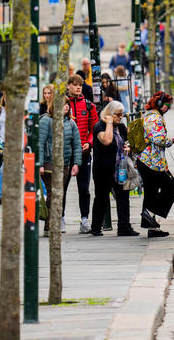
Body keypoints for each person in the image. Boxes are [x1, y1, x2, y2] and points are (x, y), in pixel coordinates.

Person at [90, 101, 138, 237]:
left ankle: (124, 227)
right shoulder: (99, 126)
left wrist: (128, 148)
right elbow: (107, 140)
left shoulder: (122, 127)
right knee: (101, 197)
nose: (120, 117)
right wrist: (109, 123)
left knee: (123, 196)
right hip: (103, 169)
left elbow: (125, 142)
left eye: (122, 114)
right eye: (117, 114)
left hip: (120, 168)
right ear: (110, 114)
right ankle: (96, 227)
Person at [136, 91, 174, 238]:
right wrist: (170, 141)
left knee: (151, 193)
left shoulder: (150, 115)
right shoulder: (155, 118)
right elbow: (158, 139)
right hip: (152, 162)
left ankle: (152, 228)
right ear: (160, 104)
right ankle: (148, 213)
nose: (168, 108)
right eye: (167, 105)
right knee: (172, 187)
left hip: (147, 161)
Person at [38, 97, 82, 235]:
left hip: (65, 164)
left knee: (58, 194)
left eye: (68, 104)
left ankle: (51, 224)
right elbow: (40, 143)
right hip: (49, 162)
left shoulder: (71, 123)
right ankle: (50, 226)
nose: (67, 106)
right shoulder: (46, 120)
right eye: (63, 104)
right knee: (53, 193)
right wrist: (40, 164)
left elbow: (77, 145)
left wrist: (77, 163)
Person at [67, 74, 99, 233]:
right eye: (74, 84)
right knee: (61, 188)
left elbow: (94, 128)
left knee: (84, 188)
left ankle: (85, 220)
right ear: (68, 86)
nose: (78, 87)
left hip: (84, 151)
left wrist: (89, 142)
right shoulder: (62, 105)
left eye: (80, 85)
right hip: (66, 153)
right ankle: (60, 219)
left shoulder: (89, 106)